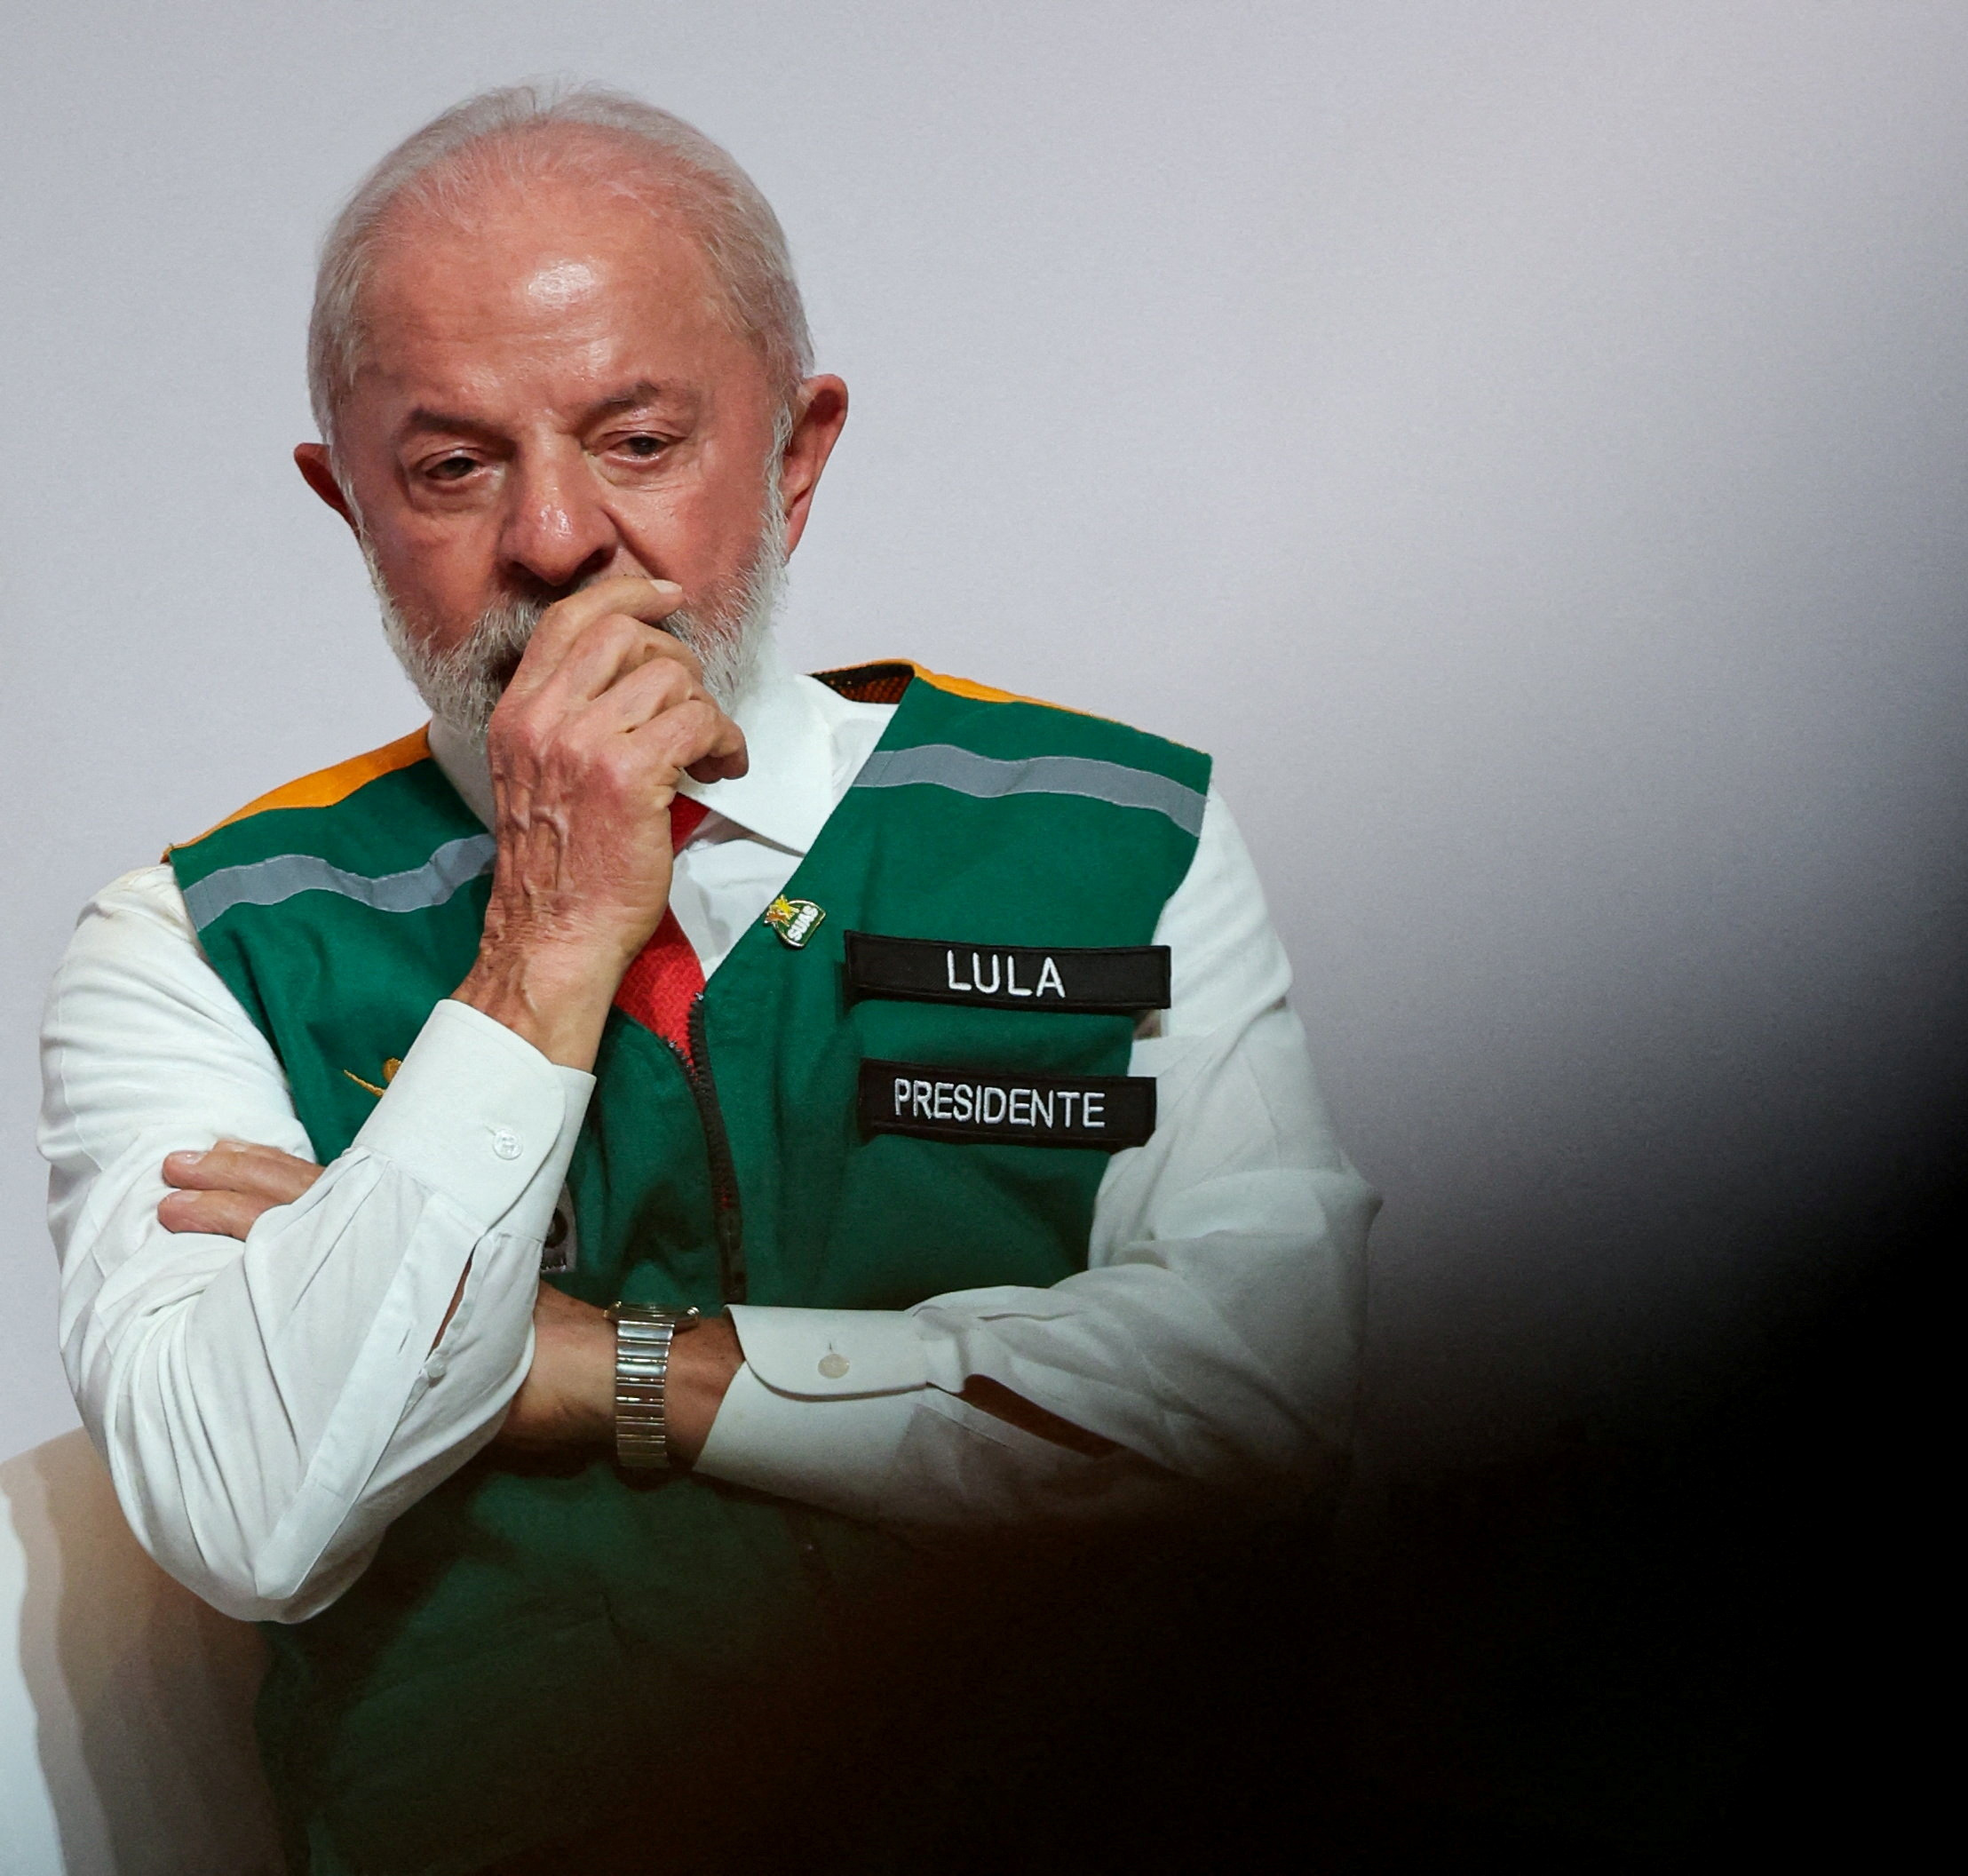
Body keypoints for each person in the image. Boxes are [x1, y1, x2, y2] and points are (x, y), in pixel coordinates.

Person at [38, 83, 1375, 1872]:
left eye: (639, 440)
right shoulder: (199, 940)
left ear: (796, 456)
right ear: (348, 502)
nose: (554, 541)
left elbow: (1258, 1428)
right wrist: (548, 943)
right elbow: (251, 1514)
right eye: (451, 467)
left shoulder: (1113, 834)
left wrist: (596, 1368)